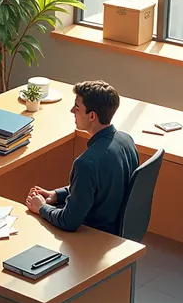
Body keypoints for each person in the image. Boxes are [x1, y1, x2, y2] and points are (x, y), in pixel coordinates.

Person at [25, 80, 139, 234]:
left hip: (95, 237)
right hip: (116, 230)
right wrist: (56, 195)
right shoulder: (126, 140)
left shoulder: (86, 164)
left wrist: (41, 207)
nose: (72, 111)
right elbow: (96, 187)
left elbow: (68, 221)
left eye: (77, 107)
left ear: (92, 116)